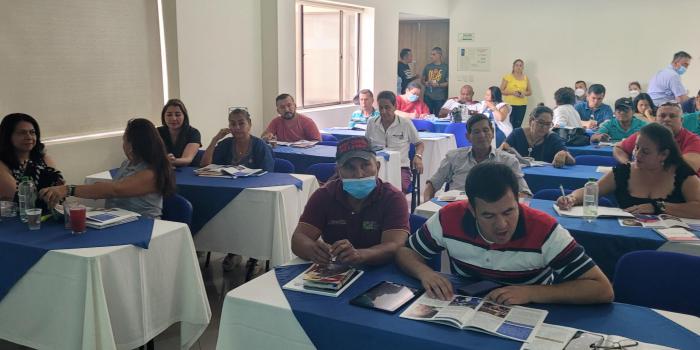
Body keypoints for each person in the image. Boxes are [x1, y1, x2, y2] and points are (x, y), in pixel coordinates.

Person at [396, 162, 614, 304]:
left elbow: (602, 289)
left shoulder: (544, 229)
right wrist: (426, 273)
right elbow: (406, 253)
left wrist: (531, 293)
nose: (502, 225)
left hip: (531, 309)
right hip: (465, 304)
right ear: (471, 209)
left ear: (518, 199)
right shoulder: (449, 217)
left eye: (509, 211)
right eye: (489, 216)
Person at [291, 136, 409, 266]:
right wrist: (312, 250)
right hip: (337, 270)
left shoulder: (393, 198)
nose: (359, 174)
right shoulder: (324, 196)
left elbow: (395, 245)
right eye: (350, 167)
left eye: (365, 165)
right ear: (339, 172)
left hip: (380, 270)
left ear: (378, 166)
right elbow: (298, 239)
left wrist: (361, 254)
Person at [41, 118, 175, 219]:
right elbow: (114, 188)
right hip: (117, 219)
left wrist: (68, 190)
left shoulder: (152, 172)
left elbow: (115, 190)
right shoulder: (127, 164)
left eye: (125, 140)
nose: (123, 144)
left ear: (133, 144)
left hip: (143, 224)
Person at [559, 123, 700, 218]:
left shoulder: (683, 175)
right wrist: (572, 198)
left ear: (664, 154)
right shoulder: (624, 172)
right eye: (636, 147)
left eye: (645, 151)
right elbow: (592, 190)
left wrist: (658, 207)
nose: (637, 155)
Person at [424, 114, 531, 201]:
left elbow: (524, 193)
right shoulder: (453, 157)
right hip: (457, 209)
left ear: (492, 133)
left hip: (493, 213)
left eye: (485, 130)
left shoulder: (508, 161)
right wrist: (427, 204)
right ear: (468, 137)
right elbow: (432, 184)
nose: (482, 135)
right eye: (476, 132)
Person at [0, 113, 64, 211]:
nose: (29, 137)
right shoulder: (2, 164)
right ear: (8, 136)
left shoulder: (44, 159)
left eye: (32, 132)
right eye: (22, 133)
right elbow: (19, 198)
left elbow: (60, 192)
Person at [614, 102, 700, 174]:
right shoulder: (644, 135)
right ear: (656, 119)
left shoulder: (693, 141)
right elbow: (618, 148)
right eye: (662, 116)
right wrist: (627, 163)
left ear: (681, 121)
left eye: (672, 116)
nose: (666, 119)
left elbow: (686, 169)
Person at [366, 91, 424, 193]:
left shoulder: (405, 123)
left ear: (395, 107)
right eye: (381, 108)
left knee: (398, 188)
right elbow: (365, 145)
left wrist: (418, 156)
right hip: (375, 167)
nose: (383, 111)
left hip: (400, 167)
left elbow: (419, 144)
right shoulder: (372, 122)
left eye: (387, 107)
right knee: (369, 187)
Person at [200, 108, 274, 171]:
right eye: (233, 124)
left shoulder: (259, 145)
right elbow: (205, 166)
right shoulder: (226, 144)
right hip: (227, 185)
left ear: (249, 124)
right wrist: (214, 140)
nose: (237, 127)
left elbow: (267, 174)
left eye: (241, 123)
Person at [502, 105, 575, 166]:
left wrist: (564, 154)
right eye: (541, 123)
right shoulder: (517, 134)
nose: (544, 127)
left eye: (548, 124)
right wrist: (504, 149)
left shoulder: (553, 138)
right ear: (531, 121)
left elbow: (572, 161)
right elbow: (501, 152)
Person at [157, 99, 202, 167]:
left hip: (186, 171)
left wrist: (167, 161)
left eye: (177, 115)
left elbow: (187, 160)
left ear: (184, 116)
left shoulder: (193, 133)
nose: (173, 118)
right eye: (169, 115)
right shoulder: (156, 132)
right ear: (164, 116)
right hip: (161, 171)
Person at [500, 59, 531, 128]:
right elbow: (501, 90)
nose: (518, 67)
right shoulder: (508, 77)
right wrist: (512, 93)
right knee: (508, 124)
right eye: (517, 65)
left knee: (517, 125)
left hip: (522, 105)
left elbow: (529, 92)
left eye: (520, 65)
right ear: (513, 66)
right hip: (509, 105)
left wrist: (523, 93)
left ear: (523, 67)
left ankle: (515, 138)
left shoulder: (525, 78)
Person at [421, 47, 449, 116]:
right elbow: (422, 80)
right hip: (428, 96)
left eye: (433, 54)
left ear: (439, 55)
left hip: (440, 97)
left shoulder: (445, 67)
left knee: (438, 116)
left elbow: (448, 83)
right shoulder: (428, 66)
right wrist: (425, 83)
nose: (431, 56)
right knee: (426, 115)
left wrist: (438, 85)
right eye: (431, 54)